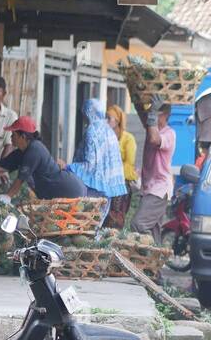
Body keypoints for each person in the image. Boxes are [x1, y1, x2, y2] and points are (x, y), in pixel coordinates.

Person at [0, 116, 85, 201]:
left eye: (13, 134)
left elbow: (21, 179)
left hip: (71, 190)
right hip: (54, 192)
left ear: (23, 137)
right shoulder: (22, 151)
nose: (11, 137)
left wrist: (8, 196)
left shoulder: (35, 149)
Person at [64, 99, 125, 225]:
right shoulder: (109, 131)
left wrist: (68, 167)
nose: (84, 118)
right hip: (108, 189)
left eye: (84, 115)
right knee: (96, 226)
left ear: (88, 113)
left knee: (84, 225)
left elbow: (90, 166)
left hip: (93, 188)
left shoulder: (92, 131)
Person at [132, 99, 175, 243]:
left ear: (164, 116)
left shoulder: (169, 133)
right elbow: (145, 118)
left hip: (159, 189)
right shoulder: (152, 127)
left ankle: (148, 252)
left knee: (138, 224)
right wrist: (137, 100)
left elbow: (154, 139)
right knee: (153, 230)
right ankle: (154, 261)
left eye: (157, 114)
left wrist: (152, 115)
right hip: (149, 188)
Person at [106, 103, 137, 229]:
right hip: (107, 182)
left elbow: (129, 163)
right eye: (106, 117)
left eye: (109, 118)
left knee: (116, 217)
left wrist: (113, 171)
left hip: (121, 183)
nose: (106, 121)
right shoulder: (106, 137)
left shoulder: (128, 139)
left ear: (117, 120)